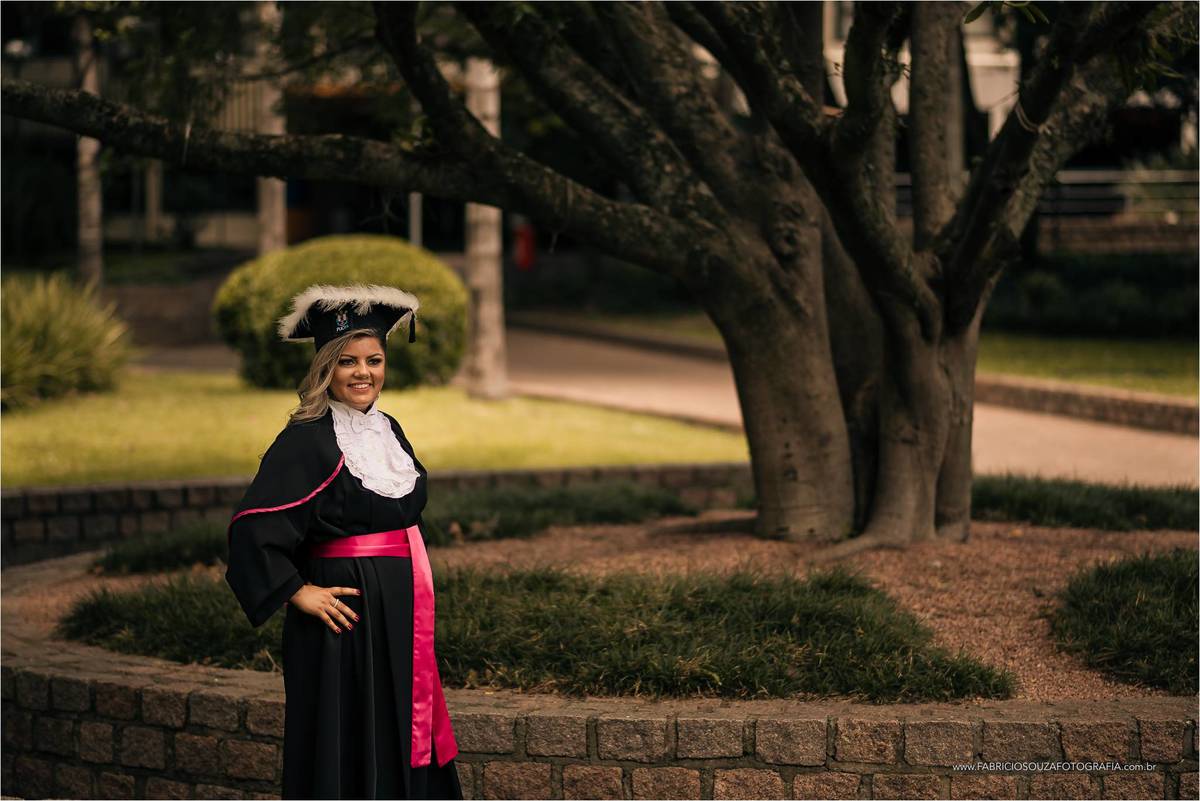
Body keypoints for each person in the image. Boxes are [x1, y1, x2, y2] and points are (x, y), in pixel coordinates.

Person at [225, 283, 461, 800]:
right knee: (345, 728)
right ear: (325, 367)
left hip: (399, 611)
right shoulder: (307, 438)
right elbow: (252, 528)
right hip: (343, 619)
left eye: (373, 360)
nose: (363, 373)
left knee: (400, 718)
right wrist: (297, 591)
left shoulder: (388, 429)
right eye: (348, 361)